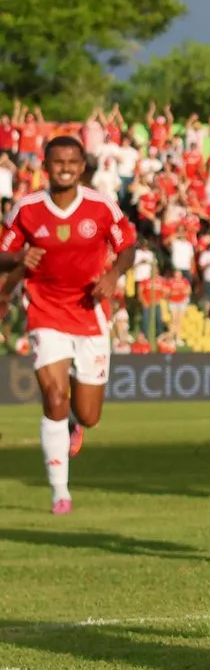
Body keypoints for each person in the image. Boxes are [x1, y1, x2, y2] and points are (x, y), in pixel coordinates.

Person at [0, 137, 136, 514]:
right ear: (45, 165)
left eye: (72, 161)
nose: (64, 167)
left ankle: (77, 424)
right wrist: (16, 256)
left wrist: (114, 275)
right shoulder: (25, 210)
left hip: (90, 314)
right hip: (45, 312)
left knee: (89, 415)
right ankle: (61, 492)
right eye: (57, 161)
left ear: (81, 167)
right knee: (54, 396)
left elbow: (128, 246)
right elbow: (4, 257)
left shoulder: (101, 205)